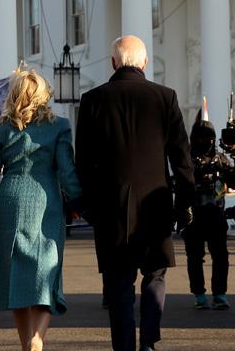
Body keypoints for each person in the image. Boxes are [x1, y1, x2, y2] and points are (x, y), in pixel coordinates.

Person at [75, 35, 195, 351]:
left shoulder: (92, 100)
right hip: (155, 203)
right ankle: (149, 342)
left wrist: (87, 206)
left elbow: (83, 162)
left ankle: (124, 346)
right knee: (155, 276)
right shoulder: (164, 97)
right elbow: (182, 159)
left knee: (118, 284)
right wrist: (184, 204)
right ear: (144, 62)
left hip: (111, 207)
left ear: (113, 62)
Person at [0, 68, 83, 351]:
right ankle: (37, 341)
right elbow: (67, 173)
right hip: (45, 202)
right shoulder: (60, 126)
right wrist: (82, 204)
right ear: (43, 95)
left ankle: (26, 344)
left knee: (15, 275)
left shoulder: (2, 129)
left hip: (9, 201)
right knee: (45, 274)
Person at [183, 117, 235, 310]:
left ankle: (220, 294)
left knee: (221, 256)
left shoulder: (220, 158)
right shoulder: (186, 158)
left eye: (211, 137)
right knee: (195, 257)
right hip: (193, 214)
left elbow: (232, 182)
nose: (208, 141)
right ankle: (199, 294)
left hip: (215, 213)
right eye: (203, 137)